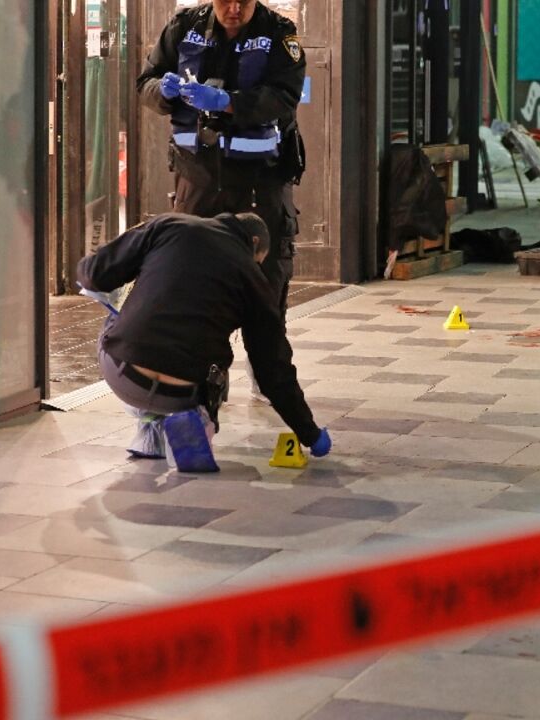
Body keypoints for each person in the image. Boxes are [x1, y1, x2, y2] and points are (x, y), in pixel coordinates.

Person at [136, 0, 306, 403]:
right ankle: (202, 376)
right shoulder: (184, 27)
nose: (233, 9)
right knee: (191, 281)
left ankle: (268, 377)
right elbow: (145, 82)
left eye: (243, 2)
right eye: (225, 0)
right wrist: (163, 90)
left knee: (265, 286)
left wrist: (228, 102)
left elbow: (284, 96)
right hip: (197, 179)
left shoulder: (279, 33)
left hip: (260, 181)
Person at [77, 211, 331, 463]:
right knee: (216, 357)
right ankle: (199, 418)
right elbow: (273, 370)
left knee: (118, 320)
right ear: (254, 243)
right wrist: (310, 434)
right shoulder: (254, 280)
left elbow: (95, 273)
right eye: (259, 260)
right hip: (182, 395)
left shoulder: (169, 225)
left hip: (125, 375)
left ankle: (150, 429)